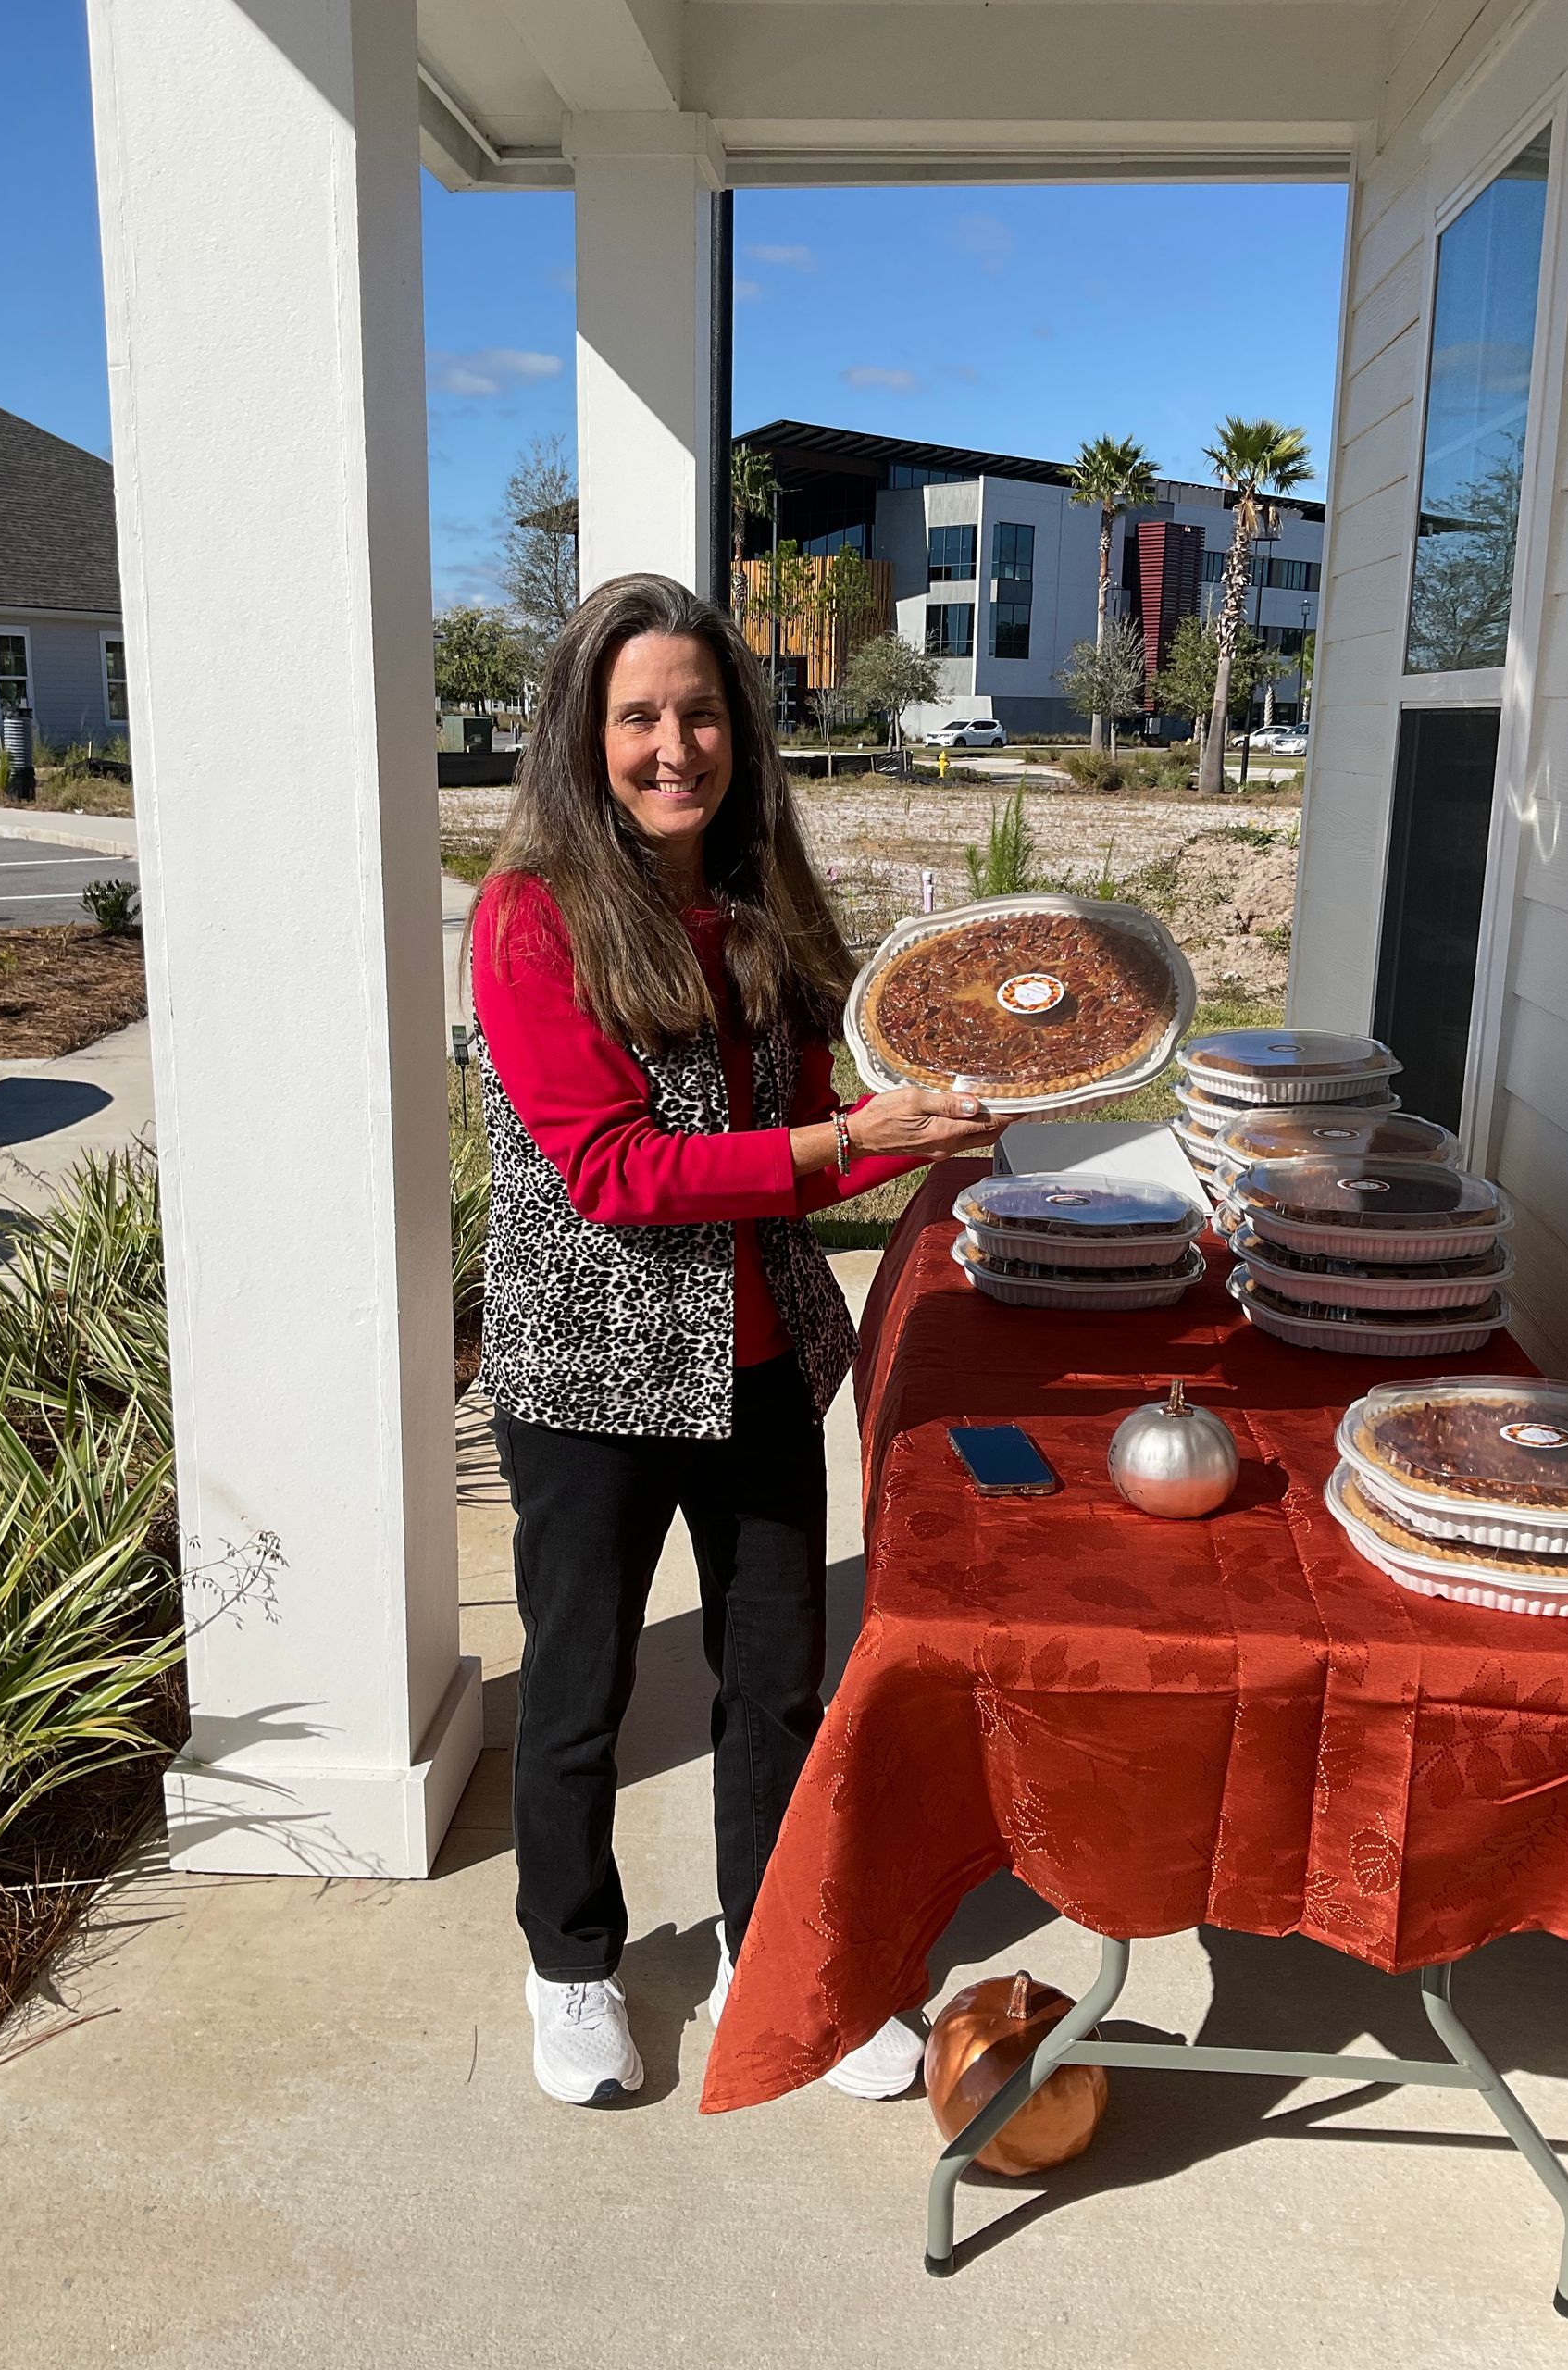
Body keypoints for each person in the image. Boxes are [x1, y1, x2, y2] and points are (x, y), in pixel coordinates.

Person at [468, 573, 1004, 2107]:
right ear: (587, 734)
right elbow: (616, 1174)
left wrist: (955, 1111)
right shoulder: (531, 918)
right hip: (592, 1373)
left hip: (760, 1363)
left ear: (737, 727)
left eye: (699, 710)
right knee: (574, 1693)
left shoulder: (758, 896)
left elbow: (834, 1109)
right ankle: (570, 1961)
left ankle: (765, 1945)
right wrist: (848, 1145)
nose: (673, 743)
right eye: (638, 714)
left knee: (774, 1681)